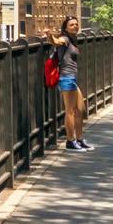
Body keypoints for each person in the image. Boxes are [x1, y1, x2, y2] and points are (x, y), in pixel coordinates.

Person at [40, 16, 90, 151]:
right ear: (66, 28)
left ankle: (79, 139)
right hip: (66, 78)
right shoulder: (66, 39)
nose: (75, 26)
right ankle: (70, 141)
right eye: (71, 25)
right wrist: (49, 36)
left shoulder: (73, 40)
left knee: (80, 110)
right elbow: (56, 42)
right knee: (70, 111)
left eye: (76, 24)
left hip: (72, 78)